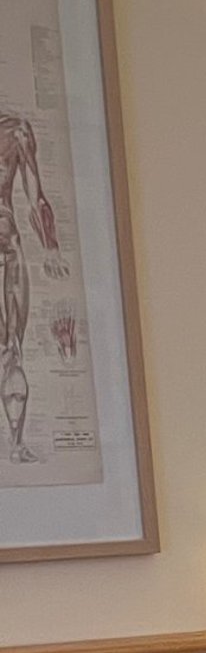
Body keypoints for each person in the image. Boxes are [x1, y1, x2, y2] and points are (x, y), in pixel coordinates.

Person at [0, 107, 61, 464]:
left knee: (12, 350)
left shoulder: (16, 132)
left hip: (8, 249)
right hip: (7, 247)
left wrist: (50, 247)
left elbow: (35, 195)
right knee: (10, 350)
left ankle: (16, 444)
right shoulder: (15, 131)